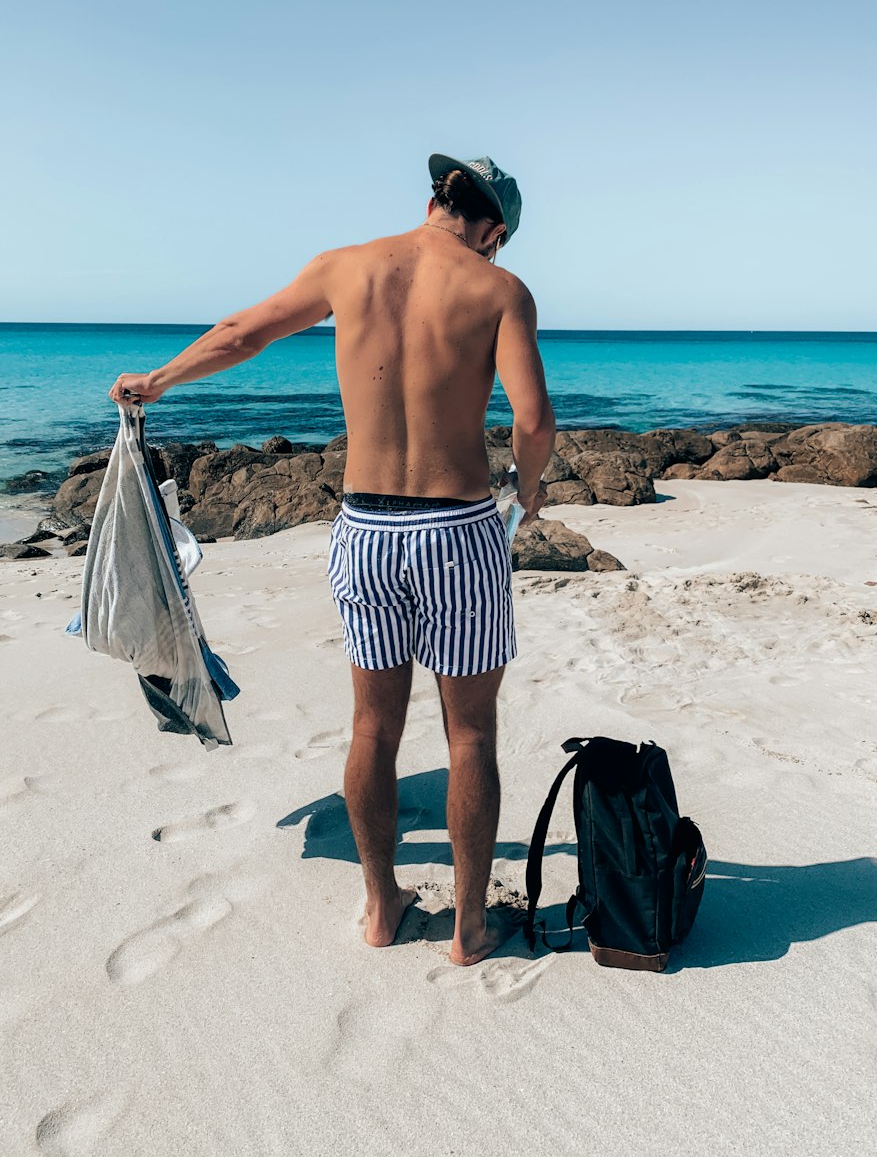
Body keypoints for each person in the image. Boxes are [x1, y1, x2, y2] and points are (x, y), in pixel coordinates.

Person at [110, 153, 556, 965]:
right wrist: (526, 493)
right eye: (497, 242)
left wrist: (159, 379)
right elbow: (533, 420)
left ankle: (382, 905)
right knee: (471, 739)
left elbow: (245, 331)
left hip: (366, 533)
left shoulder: (346, 267)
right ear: (492, 230)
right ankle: (468, 927)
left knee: (372, 728)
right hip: (457, 529)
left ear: (432, 200)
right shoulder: (500, 291)